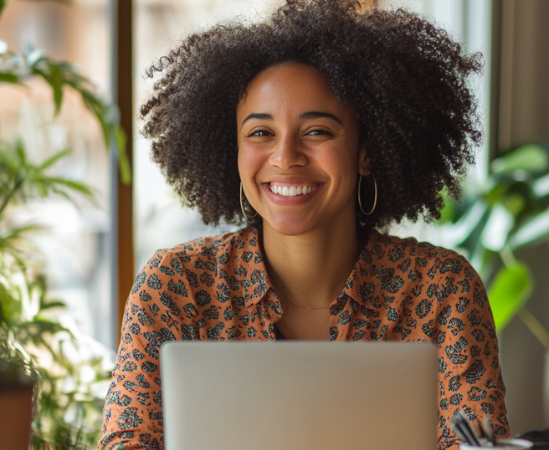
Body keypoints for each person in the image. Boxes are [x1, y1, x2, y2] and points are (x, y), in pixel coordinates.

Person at [98, 1, 509, 449]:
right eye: (260, 133)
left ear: (367, 150)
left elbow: (481, 444)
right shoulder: (176, 288)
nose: (285, 157)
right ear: (231, 151)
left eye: (317, 131)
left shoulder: (441, 292)